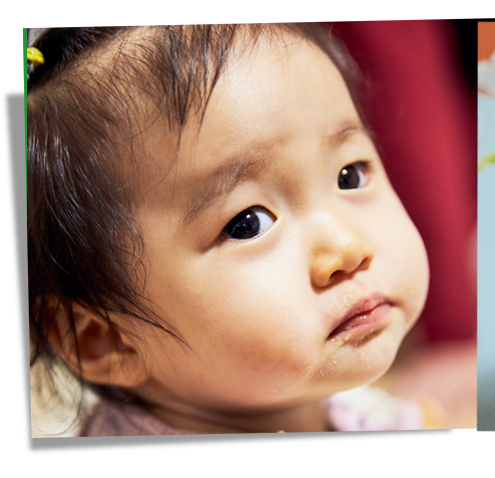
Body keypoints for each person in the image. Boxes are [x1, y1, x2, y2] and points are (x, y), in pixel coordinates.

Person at [27, 19, 431, 435]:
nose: (348, 248)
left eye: (350, 174)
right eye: (247, 224)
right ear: (103, 338)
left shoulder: (345, 405)